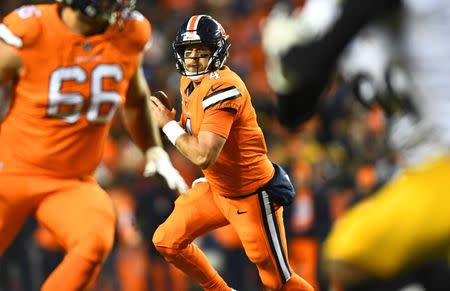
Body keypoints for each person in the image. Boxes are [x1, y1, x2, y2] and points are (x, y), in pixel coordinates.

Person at [262, 0, 450, 290]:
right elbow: (295, 112)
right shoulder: (324, 9)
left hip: (441, 164)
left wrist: (295, 57)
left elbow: (316, 58)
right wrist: (284, 72)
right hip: (425, 173)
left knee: (350, 253)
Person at [0, 1, 187, 290]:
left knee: (95, 235)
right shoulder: (32, 30)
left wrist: (153, 149)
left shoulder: (128, 33)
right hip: (10, 171)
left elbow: (135, 99)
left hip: (71, 181)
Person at [149, 14, 314, 291]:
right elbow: (195, 132)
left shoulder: (223, 87)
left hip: (250, 194)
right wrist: (172, 123)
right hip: (218, 188)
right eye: (188, 52)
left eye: (201, 52)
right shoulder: (189, 82)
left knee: (278, 283)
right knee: (166, 240)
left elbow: (203, 155)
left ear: (217, 52)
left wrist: (168, 127)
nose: (193, 60)